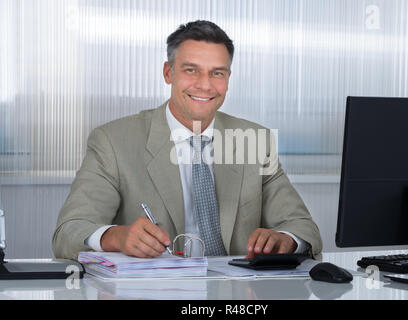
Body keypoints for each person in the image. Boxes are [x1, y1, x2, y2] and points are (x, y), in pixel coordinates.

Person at [52, 20, 322, 261]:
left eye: (217, 73)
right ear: (168, 73)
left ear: (228, 78)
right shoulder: (113, 141)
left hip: (237, 294)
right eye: (191, 70)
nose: (205, 85)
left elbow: (303, 227)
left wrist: (286, 239)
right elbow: (69, 232)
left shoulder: (255, 141)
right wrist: (115, 237)